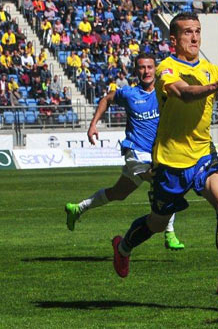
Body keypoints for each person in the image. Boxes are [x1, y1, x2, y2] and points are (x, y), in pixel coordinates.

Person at [110, 13, 218, 303]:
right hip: (170, 161)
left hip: (203, 154)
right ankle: (124, 247)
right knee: (156, 223)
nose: (194, 37)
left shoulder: (211, 68)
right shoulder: (167, 68)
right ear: (174, 39)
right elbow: (185, 93)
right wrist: (217, 86)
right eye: (188, 32)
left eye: (198, 31)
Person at [64, 53, 185, 250]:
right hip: (136, 151)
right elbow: (106, 99)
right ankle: (169, 233)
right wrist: (93, 124)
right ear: (136, 70)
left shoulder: (164, 92)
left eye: (149, 67)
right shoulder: (129, 94)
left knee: (118, 193)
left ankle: (78, 208)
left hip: (155, 153)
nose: (146, 71)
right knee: (166, 182)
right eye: (142, 67)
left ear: (156, 69)